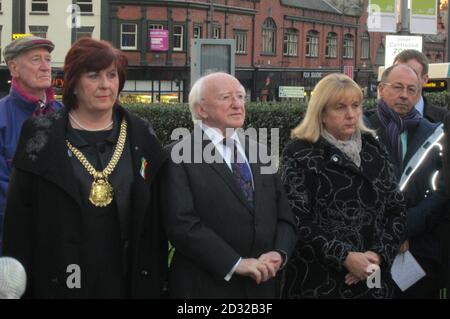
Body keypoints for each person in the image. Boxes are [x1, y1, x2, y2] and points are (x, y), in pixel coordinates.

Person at [1, 38, 169, 298]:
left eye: (112, 75)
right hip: (61, 279)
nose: (105, 85)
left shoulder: (140, 133)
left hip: (127, 279)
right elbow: (18, 217)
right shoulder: (40, 134)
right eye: (94, 76)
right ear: (74, 83)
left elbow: (157, 215)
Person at [160, 72, 297, 299]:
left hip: (262, 287)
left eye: (241, 97)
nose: (237, 104)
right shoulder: (177, 155)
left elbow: (284, 216)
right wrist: (235, 263)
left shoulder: (260, 151)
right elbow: (181, 224)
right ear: (201, 109)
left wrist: (279, 253)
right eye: (226, 97)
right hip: (206, 288)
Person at [281, 73, 406, 299]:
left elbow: (395, 209)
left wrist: (377, 255)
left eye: (356, 105)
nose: (351, 114)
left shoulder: (374, 148)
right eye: (340, 107)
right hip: (320, 280)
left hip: (372, 275)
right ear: (321, 113)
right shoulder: (299, 152)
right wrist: (345, 257)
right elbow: (297, 218)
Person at [367, 64, 448, 298]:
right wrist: (389, 236)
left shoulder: (436, 134)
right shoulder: (360, 131)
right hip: (370, 250)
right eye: (398, 87)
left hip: (418, 250)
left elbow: (441, 192)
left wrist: (403, 229)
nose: (405, 95)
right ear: (381, 89)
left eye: (412, 89)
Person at [0, 36, 62, 247]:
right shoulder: (1, 117)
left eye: (48, 59)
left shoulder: (65, 115)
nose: (46, 67)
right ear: (14, 68)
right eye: (36, 59)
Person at [393, 49, 447, 123]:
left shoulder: (445, 119)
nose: (403, 79)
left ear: (424, 79)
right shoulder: (374, 120)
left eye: (411, 74)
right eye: (398, 74)